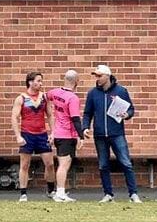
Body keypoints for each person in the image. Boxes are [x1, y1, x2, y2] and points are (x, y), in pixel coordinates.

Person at [82, 64, 142, 204]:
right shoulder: (92, 93)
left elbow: (131, 109)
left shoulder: (121, 91)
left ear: (107, 76)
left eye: (99, 76)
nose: (97, 78)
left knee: (126, 163)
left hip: (117, 133)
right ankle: (108, 194)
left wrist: (127, 114)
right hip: (100, 135)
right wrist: (85, 127)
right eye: (95, 76)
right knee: (103, 165)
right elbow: (87, 113)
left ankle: (133, 194)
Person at [11, 71, 56, 202]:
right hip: (27, 134)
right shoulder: (21, 98)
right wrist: (18, 136)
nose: (40, 83)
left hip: (42, 134)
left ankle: (50, 190)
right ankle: (23, 193)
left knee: (50, 164)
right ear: (30, 82)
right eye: (38, 81)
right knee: (24, 165)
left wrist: (53, 132)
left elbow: (50, 115)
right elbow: (14, 117)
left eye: (41, 81)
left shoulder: (44, 97)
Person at [47, 69, 85, 202]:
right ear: (77, 82)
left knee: (64, 163)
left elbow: (45, 97)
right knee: (64, 164)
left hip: (58, 133)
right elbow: (75, 119)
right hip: (67, 135)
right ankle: (60, 193)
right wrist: (81, 136)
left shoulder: (55, 92)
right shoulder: (72, 98)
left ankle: (61, 191)